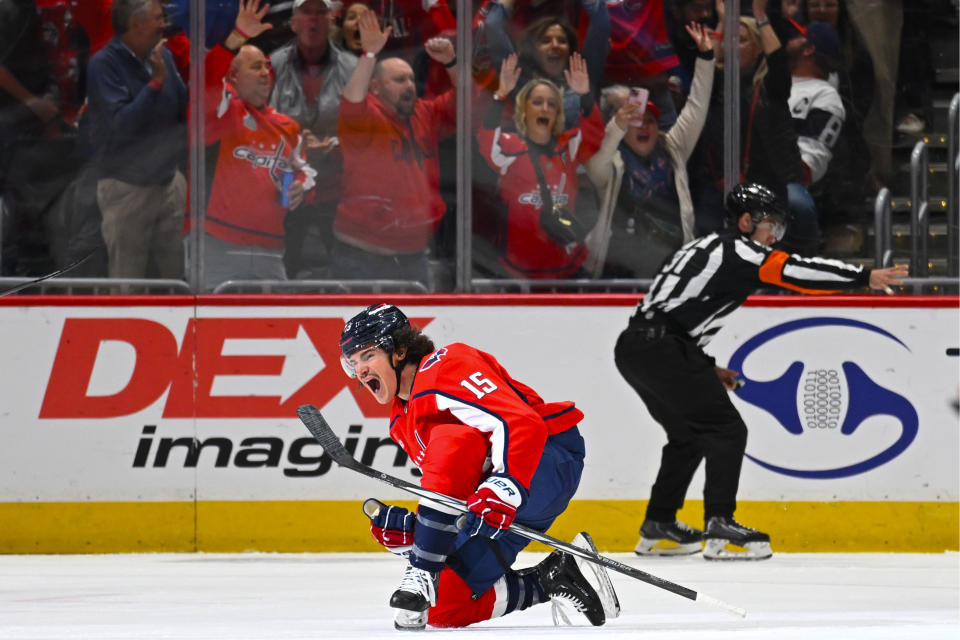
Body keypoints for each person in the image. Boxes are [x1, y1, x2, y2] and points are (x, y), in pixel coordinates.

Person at [614, 181, 908, 560]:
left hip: (637, 348)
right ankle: (720, 524)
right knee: (726, 429)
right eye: (772, 225)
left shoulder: (700, 247)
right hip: (664, 348)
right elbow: (796, 272)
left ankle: (658, 524)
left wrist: (705, 367)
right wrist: (863, 277)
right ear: (746, 221)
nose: (774, 236)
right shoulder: (741, 251)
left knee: (688, 435)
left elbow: (670, 313)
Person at [337, 302, 619, 629]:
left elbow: (522, 423)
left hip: (544, 464)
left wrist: (506, 484)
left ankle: (422, 568)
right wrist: (415, 534)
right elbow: (453, 489)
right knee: (440, 607)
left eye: (368, 355)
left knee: (454, 438)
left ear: (399, 351)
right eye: (352, 363)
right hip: (504, 507)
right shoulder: (400, 422)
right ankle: (556, 577)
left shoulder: (444, 365)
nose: (360, 370)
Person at [333, 10, 456, 286]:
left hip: (415, 258)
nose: (409, 85)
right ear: (375, 88)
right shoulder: (366, 117)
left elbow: (468, 104)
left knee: (412, 331)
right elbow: (352, 100)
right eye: (399, 80)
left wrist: (452, 63)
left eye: (411, 79)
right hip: (362, 259)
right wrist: (369, 55)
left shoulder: (424, 114)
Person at [584, 21, 715, 279]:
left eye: (651, 121)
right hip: (618, 272)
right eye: (636, 122)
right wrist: (618, 124)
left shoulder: (672, 148)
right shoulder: (611, 161)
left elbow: (697, 107)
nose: (645, 127)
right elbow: (597, 163)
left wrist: (706, 58)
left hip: (670, 268)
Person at [203, 0, 316, 290]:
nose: (266, 72)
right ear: (234, 76)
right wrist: (235, 38)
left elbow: (306, 175)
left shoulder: (287, 127)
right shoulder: (225, 112)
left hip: (271, 249)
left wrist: (300, 188)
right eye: (256, 67)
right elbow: (205, 82)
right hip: (221, 246)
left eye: (267, 66)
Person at [476, 53, 604, 278]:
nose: (545, 108)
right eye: (537, 102)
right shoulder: (510, 148)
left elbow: (594, 135)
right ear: (524, 110)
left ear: (558, 114)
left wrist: (584, 95)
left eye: (551, 104)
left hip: (565, 266)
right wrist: (501, 94)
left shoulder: (568, 147)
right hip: (518, 269)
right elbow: (487, 140)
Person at [85, 0, 188, 280]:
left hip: (167, 183)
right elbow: (122, 125)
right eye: (158, 18)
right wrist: (155, 83)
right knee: (127, 283)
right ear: (136, 23)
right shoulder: (103, 64)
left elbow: (183, 105)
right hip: (126, 188)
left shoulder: (162, 56)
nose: (164, 24)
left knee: (175, 281)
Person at [269, 0, 358, 279]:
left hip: (337, 181)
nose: (314, 19)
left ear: (332, 20)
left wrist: (332, 144)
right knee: (283, 262)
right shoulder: (273, 64)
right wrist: (297, 144)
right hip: (287, 182)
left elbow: (365, 126)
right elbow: (261, 121)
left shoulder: (353, 67)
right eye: (306, 12)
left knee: (344, 267)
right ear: (293, 22)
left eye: (321, 12)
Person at [784, 20, 846, 255]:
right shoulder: (771, 77)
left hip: (784, 182)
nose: (790, 41)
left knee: (798, 205)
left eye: (797, 36)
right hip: (740, 172)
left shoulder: (825, 96)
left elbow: (810, 165)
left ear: (809, 49)